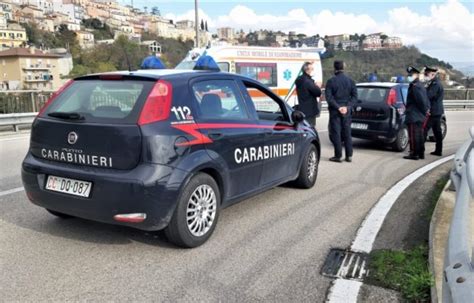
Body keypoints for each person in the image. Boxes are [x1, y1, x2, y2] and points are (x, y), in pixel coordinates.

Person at [325, 60, 357, 163]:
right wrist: (347, 107)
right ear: (344, 67)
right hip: (347, 111)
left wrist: (338, 107)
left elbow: (329, 98)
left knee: (336, 133)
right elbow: (355, 97)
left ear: (334, 68)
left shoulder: (331, 81)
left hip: (335, 111)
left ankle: (338, 156)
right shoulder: (351, 81)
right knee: (347, 133)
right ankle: (349, 155)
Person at [404, 66, 430, 160]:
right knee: (419, 134)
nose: (409, 76)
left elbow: (421, 101)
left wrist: (424, 111)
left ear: (416, 75)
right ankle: (420, 153)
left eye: (411, 74)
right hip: (418, 114)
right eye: (409, 74)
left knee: (414, 135)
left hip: (414, 114)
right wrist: (425, 111)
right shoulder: (419, 85)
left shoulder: (415, 86)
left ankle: (414, 153)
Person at [423, 66, 445, 156]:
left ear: (432, 74)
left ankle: (420, 150)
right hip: (437, 111)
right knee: (437, 131)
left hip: (433, 111)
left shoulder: (435, 84)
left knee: (424, 130)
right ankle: (438, 151)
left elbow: (428, 95)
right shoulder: (434, 83)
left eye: (427, 74)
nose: (426, 76)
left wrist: (423, 90)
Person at [295, 62, 322, 127]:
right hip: (310, 110)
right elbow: (318, 92)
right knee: (310, 127)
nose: (313, 70)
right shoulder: (307, 81)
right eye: (312, 69)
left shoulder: (300, 79)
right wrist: (318, 86)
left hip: (303, 108)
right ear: (307, 70)